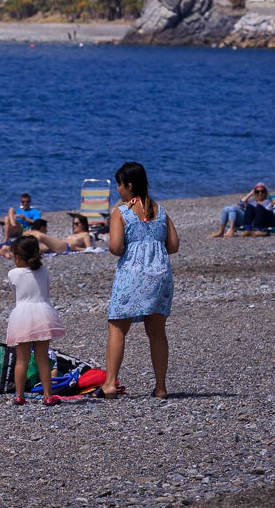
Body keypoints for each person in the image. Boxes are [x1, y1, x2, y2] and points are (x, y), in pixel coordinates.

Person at [100, 162, 179, 400]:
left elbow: (115, 247)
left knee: (117, 327)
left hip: (132, 275)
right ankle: (161, 387)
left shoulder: (122, 212)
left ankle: (111, 384)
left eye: (119, 184)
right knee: (156, 332)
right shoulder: (161, 210)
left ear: (129, 185)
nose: (117, 188)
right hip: (160, 275)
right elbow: (174, 246)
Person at [5, 235, 65, 406]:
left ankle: (19, 395)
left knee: (22, 358)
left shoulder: (13, 274)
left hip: (22, 314)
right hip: (43, 313)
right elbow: (46, 291)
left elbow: (16, 294)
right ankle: (47, 395)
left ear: (17, 257)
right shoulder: (43, 271)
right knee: (42, 358)